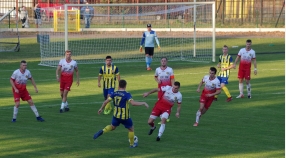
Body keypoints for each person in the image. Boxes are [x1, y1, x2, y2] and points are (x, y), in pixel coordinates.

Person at [93, 79, 149, 148]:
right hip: (125, 117)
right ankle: (132, 145)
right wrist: (143, 103)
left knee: (112, 127)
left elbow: (106, 101)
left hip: (116, 115)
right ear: (125, 86)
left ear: (118, 85)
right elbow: (133, 103)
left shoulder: (114, 93)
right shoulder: (127, 94)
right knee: (131, 129)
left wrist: (101, 108)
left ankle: (103, 131)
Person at [154, 57, 175, 124]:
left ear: (167, 62)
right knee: (160, 102)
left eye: (164, 61)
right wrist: (157, 81)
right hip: (160, 90)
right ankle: (163, 118)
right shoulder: (157, 69)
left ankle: (165, 117)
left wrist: (173, 87)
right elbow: (155, 76)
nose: (163, 62)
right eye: (162, 61)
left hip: (168, 89)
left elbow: (172, 79)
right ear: (160, 62)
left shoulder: (170, 69)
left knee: (168, 103)